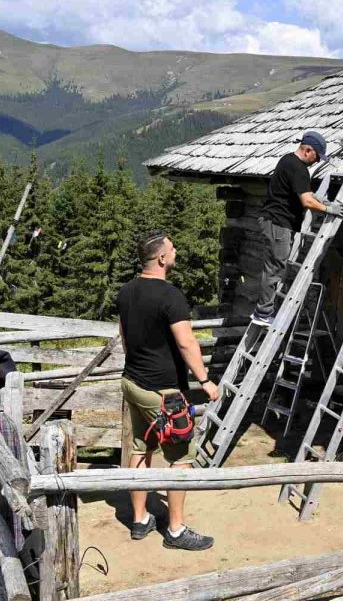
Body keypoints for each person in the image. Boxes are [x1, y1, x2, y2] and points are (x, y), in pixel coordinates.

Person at [117, 231, 219, 550]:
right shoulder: (170, 295)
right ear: (161, 258)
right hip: (164, 392)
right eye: (172, 248)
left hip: (133, 382)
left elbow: (123, 335)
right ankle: (175, 530)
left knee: (140, 448)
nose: (175, 251)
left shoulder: (126, 291)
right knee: (181, 458)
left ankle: (140, 519)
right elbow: (186, 343)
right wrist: (204, 380)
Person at [252, 131, 343, 327]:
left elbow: (305, 192)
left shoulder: (288, 161)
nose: (316, 162)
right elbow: (307, 200)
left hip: (273, 221)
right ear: (308, 150)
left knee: (275, 265)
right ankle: (263, 313)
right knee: (275, 267)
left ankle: (263, 310)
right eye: (317, 157)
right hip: (278, 222)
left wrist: (323, 200)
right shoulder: (298, 168)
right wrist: (330, 209)